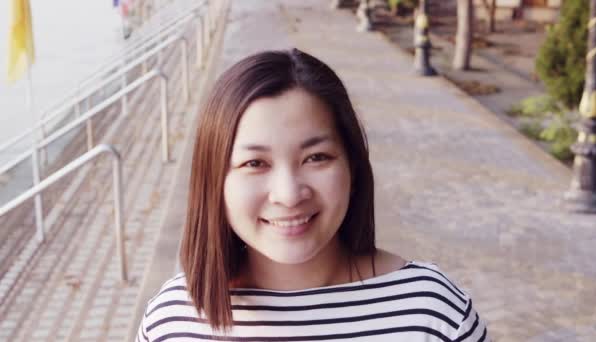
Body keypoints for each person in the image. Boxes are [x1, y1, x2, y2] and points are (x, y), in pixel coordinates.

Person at [136, 49, 489, 341]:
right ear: (214, 180)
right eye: (255, 162)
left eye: (316, 157)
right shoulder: (173, 323)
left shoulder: (432, 312)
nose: (289, 195)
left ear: (352, 164)